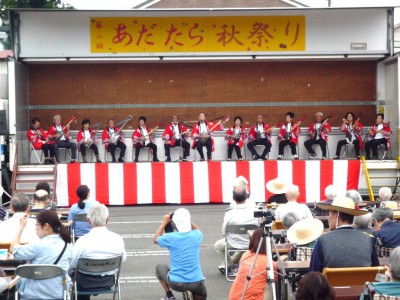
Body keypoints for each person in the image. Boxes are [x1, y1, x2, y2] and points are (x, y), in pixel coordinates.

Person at [10, 210, 72, 300]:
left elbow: (13, 249)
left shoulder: (38, 245)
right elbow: (71, 265)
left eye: (36, 225)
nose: (35, 228)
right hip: (58, 294)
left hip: (32, 295)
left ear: (46, 226)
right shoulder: (68, 245)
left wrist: (21, 227)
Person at [69, 204, 126, 300]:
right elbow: (122, 259)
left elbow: (73, 264)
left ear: (89, 221)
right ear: (107, 220)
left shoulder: (82, 241)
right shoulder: (117, 239)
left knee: (73, 272)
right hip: (108, 281)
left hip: (84, 282)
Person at [309, 196, 379, 272]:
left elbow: (314, 273)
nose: (328, 218)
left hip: (331, 283)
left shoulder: (323, 241)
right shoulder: (368, 240)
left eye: (329, 213)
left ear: (336, 215)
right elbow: (376, 271)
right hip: (362, 283)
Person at [154, 208, 207, 300]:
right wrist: (187, 221)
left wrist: (164, 222)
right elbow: (199, 230)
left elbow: (155, 239)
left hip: (176, 283)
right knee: (200, 293)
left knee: (159, 267)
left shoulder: (171, 237)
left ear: (175, 223)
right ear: (188, 220)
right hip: (196, 282)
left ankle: (169, 296)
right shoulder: (197, 235)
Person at [215, 186, 258, 274]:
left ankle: (230, 264)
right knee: (243, 246)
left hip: (234, 241)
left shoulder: (229, 213)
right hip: (251, 242)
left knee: (218, 246)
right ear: (246, 196)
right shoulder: (254, 210)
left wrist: (227, 236)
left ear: (233, 198)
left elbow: (224, 231)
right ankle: (233, 263)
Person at [228, 228, 276, 300]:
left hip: (234, 296)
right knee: (270, 285)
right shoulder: (268, 262)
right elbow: (274, 280)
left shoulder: (246, 254)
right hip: (251, 298)